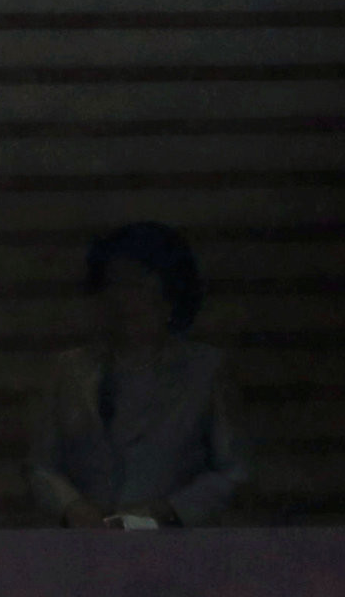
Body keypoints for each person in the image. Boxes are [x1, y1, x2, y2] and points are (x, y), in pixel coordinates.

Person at [29, 220, 247, 527]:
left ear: (170, 292)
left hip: (178, 547)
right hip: (87, 549)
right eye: (113, 285)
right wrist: (73, 507)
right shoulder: (69, 371)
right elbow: (42, 466)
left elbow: (232, 471)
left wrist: (167, 511)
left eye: (137, 285)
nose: (123, 300)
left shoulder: (206, 370)